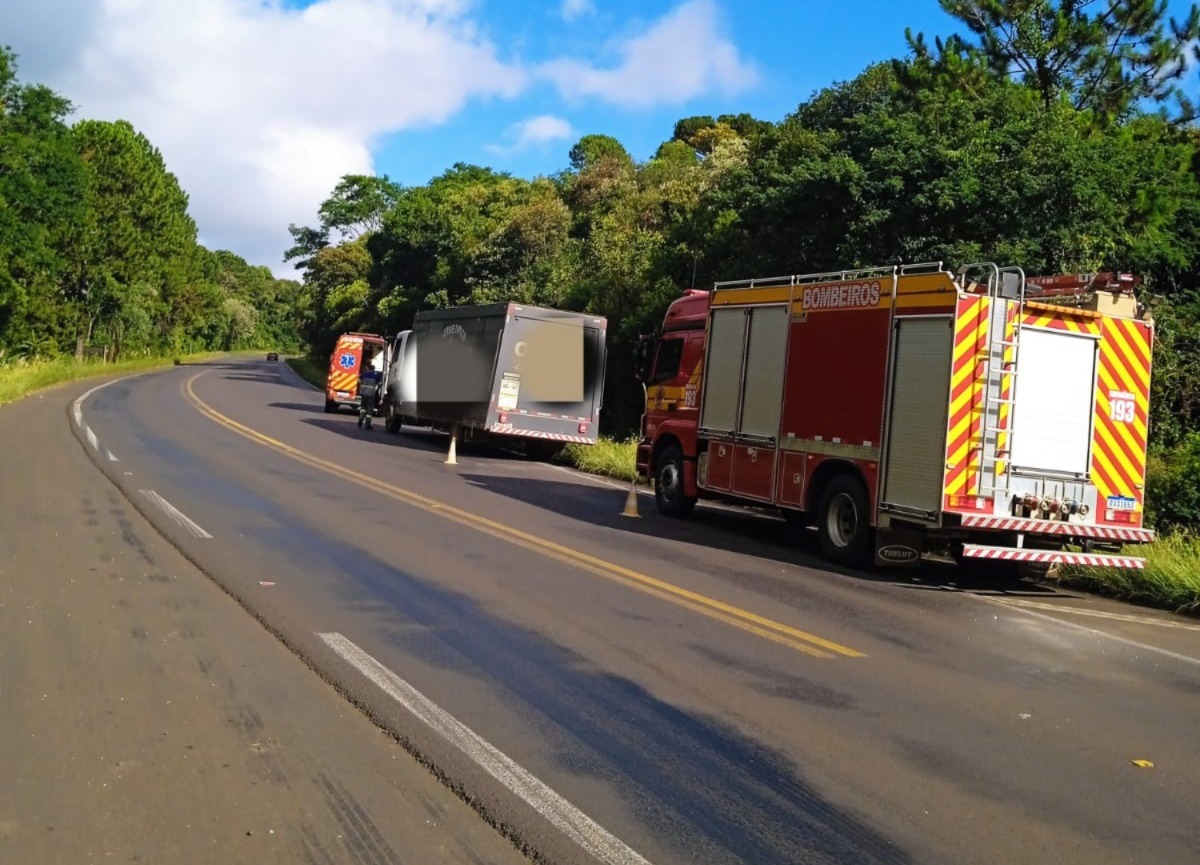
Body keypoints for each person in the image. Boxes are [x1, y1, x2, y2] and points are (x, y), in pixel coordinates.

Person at [357, 354, 383, 429]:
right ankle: (367, 424)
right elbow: (380, 383)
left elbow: (358, 380)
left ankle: (361, 418)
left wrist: (362, 385)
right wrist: (378, 386)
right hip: (371, 395)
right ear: (374, 369)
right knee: (369, 409)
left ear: (368, 368)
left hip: (363, 394)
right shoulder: (375, 375)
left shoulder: (364, 374)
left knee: (363, 407)